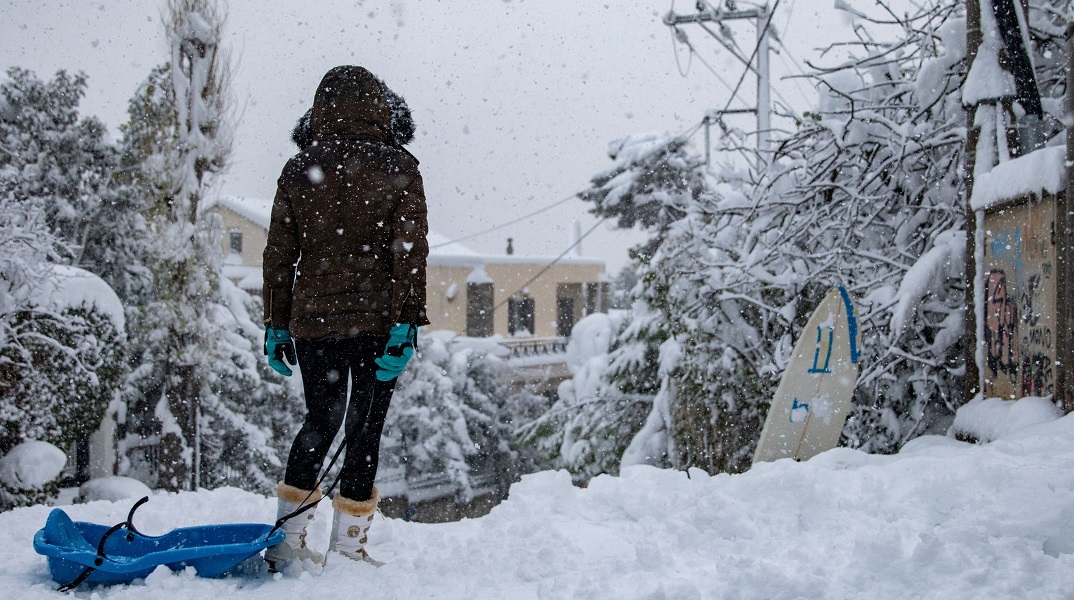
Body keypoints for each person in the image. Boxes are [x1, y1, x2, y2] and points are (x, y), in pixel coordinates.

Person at [261, 65, 429, 567]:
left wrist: (274, 322)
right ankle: (349, 546)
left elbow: (278, 253)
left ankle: (288, 545)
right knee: (364, 427)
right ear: (381, 108)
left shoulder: (299, 168)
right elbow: (410, 253)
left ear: (319, 110)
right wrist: (406, 324)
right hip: (378, 324)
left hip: (313, 323)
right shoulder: (400, 167)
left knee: (320, 421)